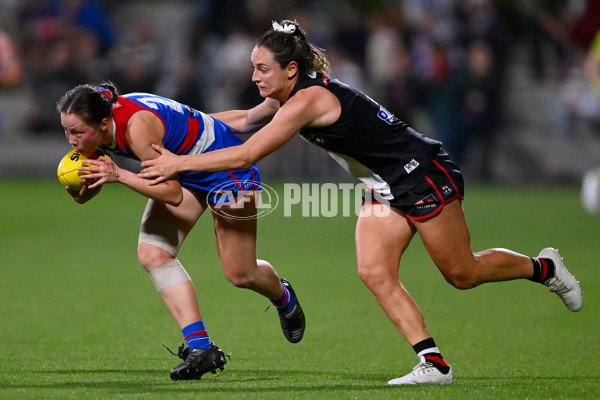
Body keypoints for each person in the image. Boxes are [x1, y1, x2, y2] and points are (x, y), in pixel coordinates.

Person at [138, 20, 583, 385]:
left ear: (291, 69)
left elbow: (248, 152)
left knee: (462, 273)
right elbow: (243, 122)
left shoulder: (307, 101)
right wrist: (185, 125)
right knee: (373, 270)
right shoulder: (289, 96)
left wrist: (178, 163)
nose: (253, 76)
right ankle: (435, 364)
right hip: (385, 187)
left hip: (421, 174)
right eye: (253, 68)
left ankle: (544, 268)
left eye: (262, 69)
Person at [55, 82, 306, 381]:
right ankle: (202, 349)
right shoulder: (99, 112)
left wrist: (119, 175)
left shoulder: (137, 129)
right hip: (186, 171)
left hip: (227, 174)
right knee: (153, 253)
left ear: (104, 123)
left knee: (240, 273)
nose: (71, 140)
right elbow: (116, 167)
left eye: (77, 133)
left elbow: (172, 194)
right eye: (67, 131)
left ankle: (283, 297)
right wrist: (88, 188)